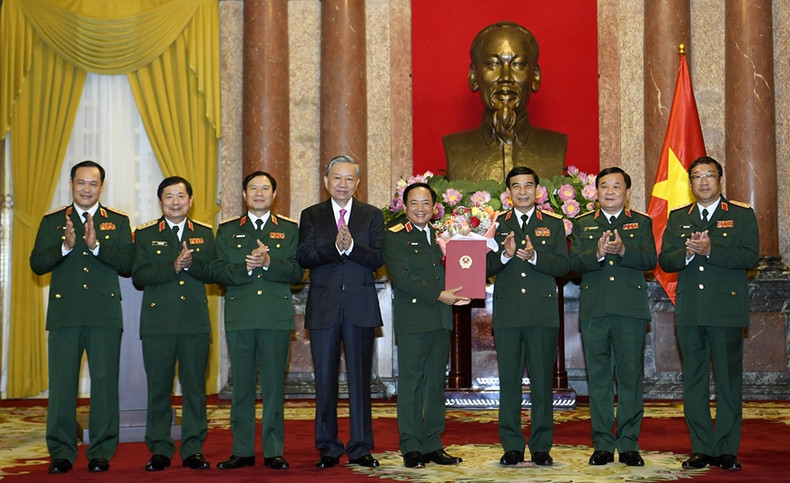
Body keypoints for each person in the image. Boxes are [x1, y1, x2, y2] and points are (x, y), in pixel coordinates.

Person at [29, 160, 133, 474]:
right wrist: (65, 246)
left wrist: (97, 245)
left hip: (104, 314)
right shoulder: (52, 221)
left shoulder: (117, 220)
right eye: (81, 182)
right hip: (65, 315)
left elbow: (128, 263)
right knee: (62, 386)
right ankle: (61, 451)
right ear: (71, 184)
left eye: (93, 183)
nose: (86, 189)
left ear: (101, 187)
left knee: (104, 384)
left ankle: (101, 451)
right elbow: (36, 263)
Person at [659, 156, 758, 472]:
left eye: (709, 176)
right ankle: (701, 448)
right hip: (690, 312)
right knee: (694, 382)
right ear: (690, 185)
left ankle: (727, 449)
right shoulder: (678, 218)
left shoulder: (741, 216)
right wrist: (688, 252)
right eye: (697, 177)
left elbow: (750, 257)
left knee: (729, 381)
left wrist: (711, 249)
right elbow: (666, 261)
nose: (703, 182)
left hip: (726, 311)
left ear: (720, 180)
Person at [211, 171, 304, 471]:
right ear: (243, 194)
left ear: (274, 195)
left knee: (275, 388)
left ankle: (274, 449)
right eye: (253, 188)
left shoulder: (289, 230)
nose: (259, 193)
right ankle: (242, 450)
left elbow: (297, 273)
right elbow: (218, 272)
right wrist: (246, 268)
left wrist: (268, 263)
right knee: (242, 388)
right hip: (240, 318)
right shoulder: (226, 231)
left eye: (266, 188)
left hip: (275, 319)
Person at [296, 154, 384, 468]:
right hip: (323, 308)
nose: (343, 184)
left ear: (358, 184)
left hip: (359, 307)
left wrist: (351, 248)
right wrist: (334, 248)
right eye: (337, 178)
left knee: (361, 381)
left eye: (349, 179)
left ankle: (361, 447)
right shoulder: (311, 215)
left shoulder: (371, 215)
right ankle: (329, 448)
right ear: (326, 182)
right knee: (325, 381)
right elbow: (304, 256)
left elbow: (377, 259)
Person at [570, 167, 656, 467]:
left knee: (631, 378)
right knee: (600, 379)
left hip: (630, 311)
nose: (609, 191)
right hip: (595, 310)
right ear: (596, 192)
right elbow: (574, 264)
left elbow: (650, 260)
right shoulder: (583, 224)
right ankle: (604, 443)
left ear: (627, 192)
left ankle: (629, 442)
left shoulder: (640, 222)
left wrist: (623, 251)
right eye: (603, 186)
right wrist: (596, 252)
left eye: (616, 186)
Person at [486, 166, 570, 466]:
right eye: (516, 186)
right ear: (507, 192)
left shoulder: (554, 224)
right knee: (508, 382)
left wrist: (535, 256)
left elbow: (564, 266)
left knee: (542, 383)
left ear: (538, 190)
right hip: (508, 314)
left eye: (528, 186)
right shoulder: (496, 225)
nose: (522, 191)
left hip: (541, 314)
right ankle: (511, 445)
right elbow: (482, 268)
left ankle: (541, 445)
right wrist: (505, 256)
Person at [131, 176, 214, 471]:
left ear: (190, 201)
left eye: (181, 196)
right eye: (169, 197)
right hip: (159, 324)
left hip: (194, 323)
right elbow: (139, 277)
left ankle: (193, 448)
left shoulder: (205, 234)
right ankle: (160, 448)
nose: (175, 202)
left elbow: (213, 273)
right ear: (161, 201)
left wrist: (193, 265)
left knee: (194, 389)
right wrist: (173, 266)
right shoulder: (144, 235)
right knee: (159, 389)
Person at [383, 182, 468, 469]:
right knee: (411, 384)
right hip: (414, 320)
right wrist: (439, 294)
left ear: (435, 208)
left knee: (435, 385)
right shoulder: (394, 237)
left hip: (440, 320)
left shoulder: (444, 236)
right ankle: (410, 445)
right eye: (414, 203)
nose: (420, 209)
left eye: (426, 203)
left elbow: (459, 268)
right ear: (405, 207)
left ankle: (432, 443)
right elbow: (402, 277)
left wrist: (463, 286)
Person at [443, 21, 567, 183]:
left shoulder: (555, 146)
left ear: (535, 76)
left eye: (518, 64)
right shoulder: (455, 148)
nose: (506, 77)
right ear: (474, 76)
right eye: (494, 64)